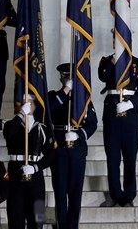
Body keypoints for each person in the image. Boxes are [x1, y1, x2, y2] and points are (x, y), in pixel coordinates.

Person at [49, 63, 98, 228]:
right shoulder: (53, 96)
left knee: (75, 191)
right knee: (60, 191)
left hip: (77, 148)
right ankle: (62, 224)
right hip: (60, 148)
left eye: (70, 78)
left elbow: (92, 123)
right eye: (65, 77)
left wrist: (78, 134)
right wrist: (65, 92)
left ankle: (72, 225)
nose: (67, 80)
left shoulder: (83, 100)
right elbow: (49, 111)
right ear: (61, 78)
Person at [98, 48, 138, 207]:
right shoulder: (107, 61)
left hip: (130, 114)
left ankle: (129, 195)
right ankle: (115, 195)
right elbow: (103, 76)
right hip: (112, 113)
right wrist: (113, 63)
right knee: (112, 157)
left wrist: (131, 104)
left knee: (129, 156)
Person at [3, 95, 53, 229]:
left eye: (30, 103)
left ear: (35, 106)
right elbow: (9, 135)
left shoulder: (43, 128)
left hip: (35, 177)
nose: (27, 105)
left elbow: (51, 155)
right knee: (15, 218)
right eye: (24, 103)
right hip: (16, 172)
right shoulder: (11, 124)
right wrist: (20, 114)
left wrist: (36, 167)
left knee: (37, 218)